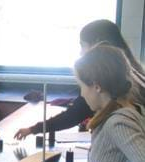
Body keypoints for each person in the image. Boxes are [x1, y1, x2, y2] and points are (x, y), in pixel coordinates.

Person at [14, 19, 145, 140]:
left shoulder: (106, 87)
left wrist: (33, 129)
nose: (81, 52)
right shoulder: (133, 73)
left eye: (83, 45)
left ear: (98, 45)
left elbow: (73, 115)